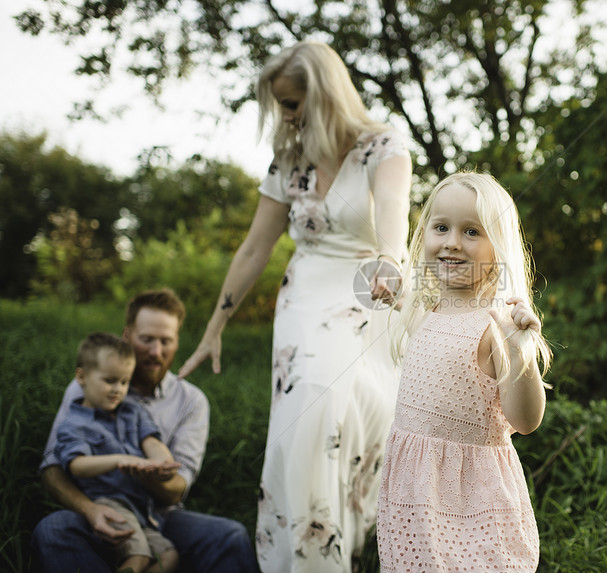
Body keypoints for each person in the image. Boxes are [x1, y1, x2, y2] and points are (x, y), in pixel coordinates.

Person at [177, 41, 412, 572]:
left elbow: (394, 210)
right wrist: (215, 325)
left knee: (359, 423)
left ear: (325, 93)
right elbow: (255, 247)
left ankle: (350, 547)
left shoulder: (383, 146)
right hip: (306, 296)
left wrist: (391, 262)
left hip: (368, 288)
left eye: (289, 102)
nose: (284, 114)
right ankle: (309, 560)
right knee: (308, 411)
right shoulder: (287, 162)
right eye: (280, 104)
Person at [376, 172, 553, 572]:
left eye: (471, 231)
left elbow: (525, 421)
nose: (452, 241)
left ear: (498, 248)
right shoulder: (423, 311)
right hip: (414, 496)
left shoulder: (495, 324)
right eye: (442, 227)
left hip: (470, 503)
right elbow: (393, 287)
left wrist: (517, 349)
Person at [32, 288, 258, 573]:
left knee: (230, 536)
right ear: (127, 336)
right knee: (52, 529)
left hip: (159, 516)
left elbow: (177, 488)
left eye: (166, 341)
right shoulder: (88, 386)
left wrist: (154, 472)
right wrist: (91, 511)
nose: (156, 351)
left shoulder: (191, 401)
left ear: (177, 342)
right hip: (97, 507)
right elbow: (52, 466)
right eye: (147, 339)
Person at [56, 332, 180, 573]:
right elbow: (76, 465)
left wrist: (161, 462)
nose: (118, 390)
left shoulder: (132, 413)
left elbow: (151, 441)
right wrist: (119, 460)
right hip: (108, 503)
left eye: (124, 382)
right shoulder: (75, 423)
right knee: (139, 556)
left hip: (141, 509)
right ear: (81, 376)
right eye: (110, 380)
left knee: (169, 556)